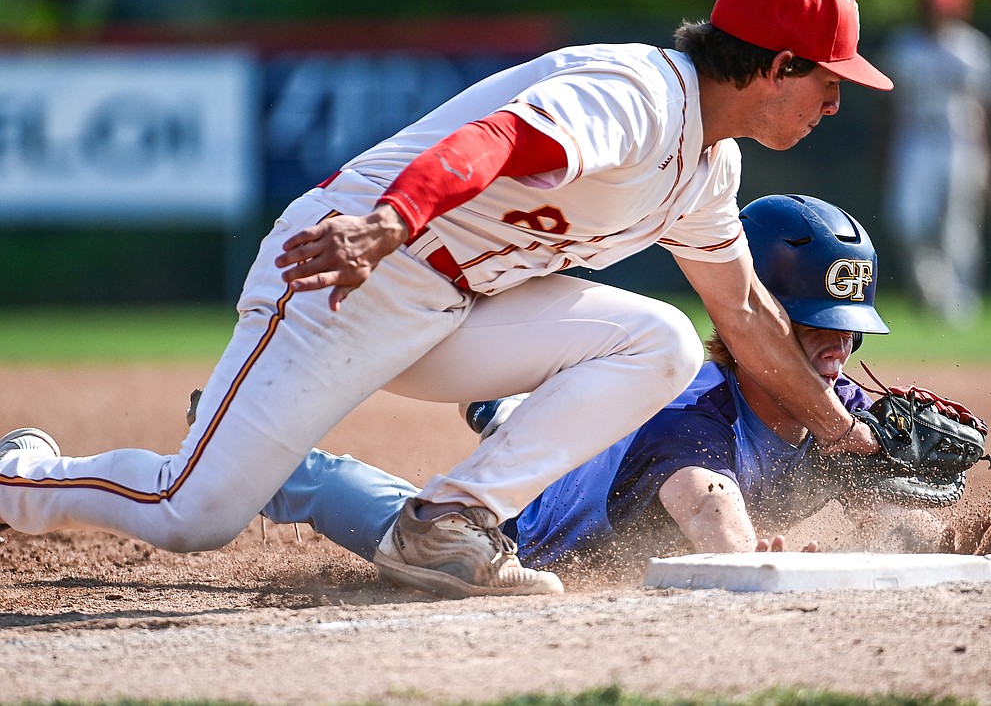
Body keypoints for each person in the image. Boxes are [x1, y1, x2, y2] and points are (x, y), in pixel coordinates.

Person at [0, 0, 893, 600]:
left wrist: (844, 429)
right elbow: (492, 140)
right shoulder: (636, 96)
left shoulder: (708, 170)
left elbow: (741, 311)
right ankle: (23, 476)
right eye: (828, 79)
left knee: (657, 339)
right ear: (778, 66)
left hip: (452, 309)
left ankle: (449, 524)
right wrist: (387, 222)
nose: (835, 101)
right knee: (192, 512)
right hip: (347, 279)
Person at [259, 195, 950, 580]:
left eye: (849, 330)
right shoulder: (694, 415)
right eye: (810, 325)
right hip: (508, 529)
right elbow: (711, 507)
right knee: (382, 518)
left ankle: (515, 409)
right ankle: (260, 454)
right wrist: (745, 559)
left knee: (558, 424)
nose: (839, 347)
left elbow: (900, 519)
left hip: (600, 452)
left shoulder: (842, 414)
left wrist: (935, 532)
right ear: (759, 326)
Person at [878, 0, 991, 326]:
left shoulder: (973, 48)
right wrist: (884, 153)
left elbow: (988, 109)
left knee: (957, 227)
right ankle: (934, 290)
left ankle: (959, 306)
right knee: (904, 221)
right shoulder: (903, 45)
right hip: (914, 140)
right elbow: (888, 107)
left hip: (961, 143)